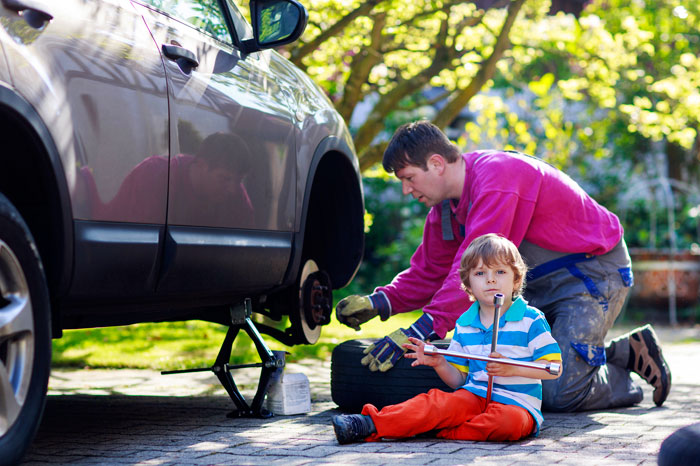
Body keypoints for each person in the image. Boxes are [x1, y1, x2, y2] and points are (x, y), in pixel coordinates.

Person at [335, 120, 671, 412]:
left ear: (436, 163)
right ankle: (586, 357)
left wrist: (419, 331)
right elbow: (430, 273)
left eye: (408, 178)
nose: (406, 190)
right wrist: (379, 302)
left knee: (556, 392)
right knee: (503, 376)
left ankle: (624, 359)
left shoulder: (498, 177)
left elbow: (478, 267)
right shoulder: (444, 212)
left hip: (590, 275)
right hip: (530, 285)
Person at [332, 234, 562, 444]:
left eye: (500, 272)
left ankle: (433, 430)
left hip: (517, 404)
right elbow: (459, 381)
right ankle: (370, 423)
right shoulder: (464, 323)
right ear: (468, 284)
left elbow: (553, 369)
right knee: (435, 403)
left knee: (507, 424)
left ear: (515, 281)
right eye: (480, 273)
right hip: (473, 396)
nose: (491, 280)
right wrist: (440, 363)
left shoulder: (531, 319)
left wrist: (511, 369)